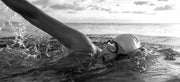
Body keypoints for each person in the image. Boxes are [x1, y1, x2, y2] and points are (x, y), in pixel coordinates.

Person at [1, 0, 141, 68]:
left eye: (118, 55)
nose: (110, 54)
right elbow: (35, 16)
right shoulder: (83, 45)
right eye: (112, 46)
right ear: (108, 42)